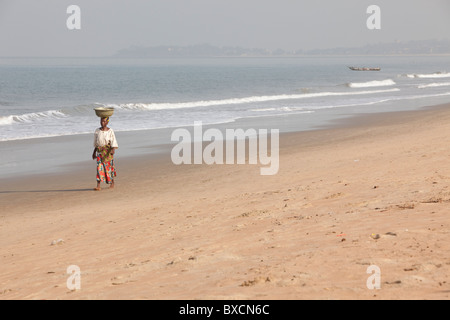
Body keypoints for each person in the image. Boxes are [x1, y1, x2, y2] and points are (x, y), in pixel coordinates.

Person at [92, 116, 118, 191]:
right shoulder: (97, 131)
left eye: (103, 121)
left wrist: (113, 149)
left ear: (107, 122)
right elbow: (96, 143)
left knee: (108, 168)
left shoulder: (110, 131)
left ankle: (112, 181)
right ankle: (98, 185)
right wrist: (94, 153)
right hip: (100, 152)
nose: (102, 123)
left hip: (108, 152)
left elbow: (113, 141)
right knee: (99, 168)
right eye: (101, 121)